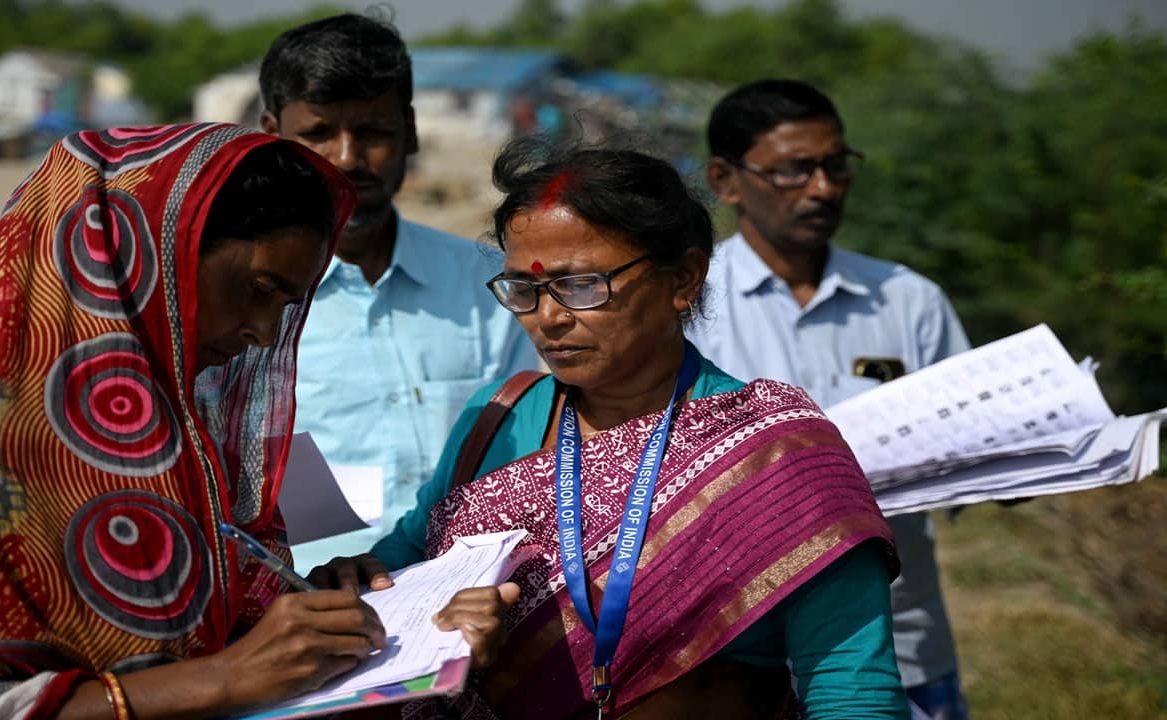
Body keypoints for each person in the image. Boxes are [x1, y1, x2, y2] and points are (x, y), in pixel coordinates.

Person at [0, 124, 511, 719]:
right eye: (257, 288)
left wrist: (306, 600)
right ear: (151, 252)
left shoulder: (191, 415)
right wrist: (215, 681)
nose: (263, 333)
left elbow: (227, 612)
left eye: (285, 306)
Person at [328, 137, 909, 719]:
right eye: (523, 290)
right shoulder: (499, 418)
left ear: (683, 278)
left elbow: (850, 688)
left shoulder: (773, 450)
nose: (548, 317)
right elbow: (407, 562)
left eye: (581, 285)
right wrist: (375, 584)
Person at [690, 79, 972, 720]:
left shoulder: (908, 299)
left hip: (904, 649)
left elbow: (978, 452)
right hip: (735, 660)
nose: (822, 188)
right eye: (794, 171)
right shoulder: (688, 306)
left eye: (835, 166)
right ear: (726, 181)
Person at [258, 14, 539, 568]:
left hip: (479, 583)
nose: (346, 157)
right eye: (317, 134)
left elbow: (529, 431)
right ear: (273, 136)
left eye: (373, 132)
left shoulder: (488, 282)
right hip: (318, 595)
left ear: (409, 131)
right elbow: (262, 463)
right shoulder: (252, 303)